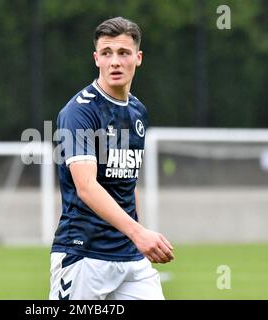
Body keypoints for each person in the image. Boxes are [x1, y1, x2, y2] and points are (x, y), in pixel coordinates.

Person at [49, 16, 174, 300]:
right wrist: (139, 233)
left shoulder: (138, 111)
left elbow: (128, 182)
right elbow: (86, 186)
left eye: (123, 53)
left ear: (138, 58)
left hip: (130, 257)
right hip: (84, 254)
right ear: (96, 59)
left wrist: (136, 237)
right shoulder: (79, 112)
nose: (115, 61)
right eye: (107, 53)